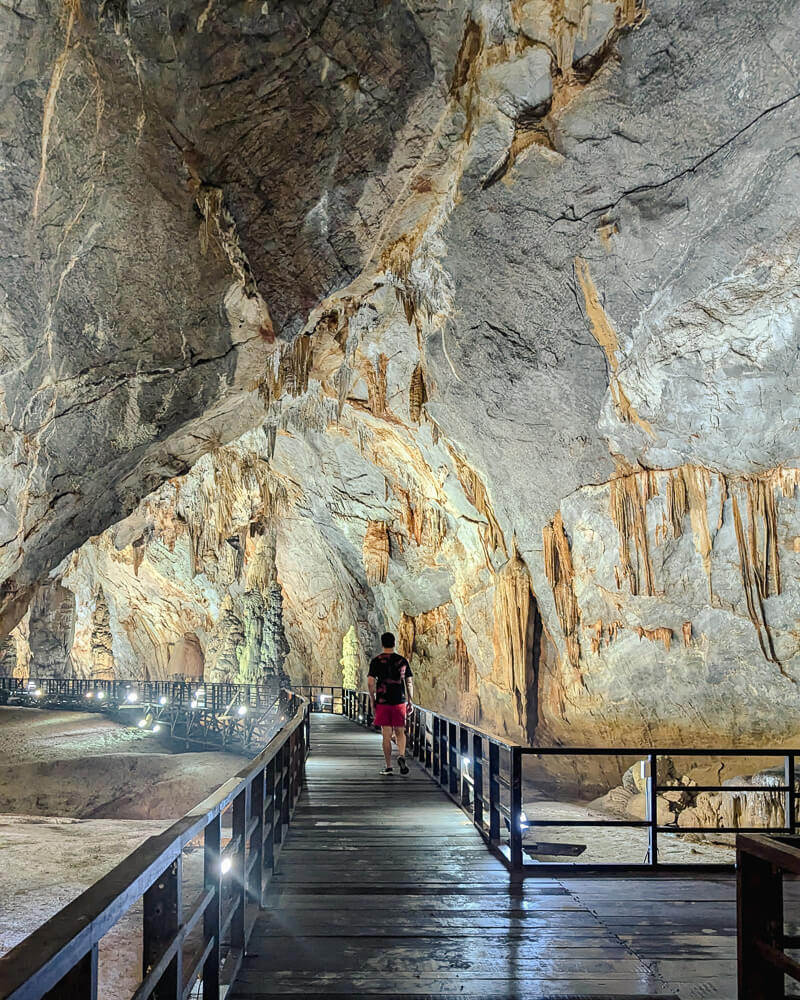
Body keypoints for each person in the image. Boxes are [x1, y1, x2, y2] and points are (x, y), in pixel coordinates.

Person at [367, 631, 414, 775]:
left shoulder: (376, 661)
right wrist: (410, 700)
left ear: (382, 644)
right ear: (394, 643)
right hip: (399, 701)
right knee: (400, 732)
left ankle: (388, 767)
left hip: (383, 701)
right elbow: (409, 682)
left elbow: (370, 682)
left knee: (386, 735)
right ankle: (401, 755)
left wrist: (372, 698)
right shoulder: (402, 661)